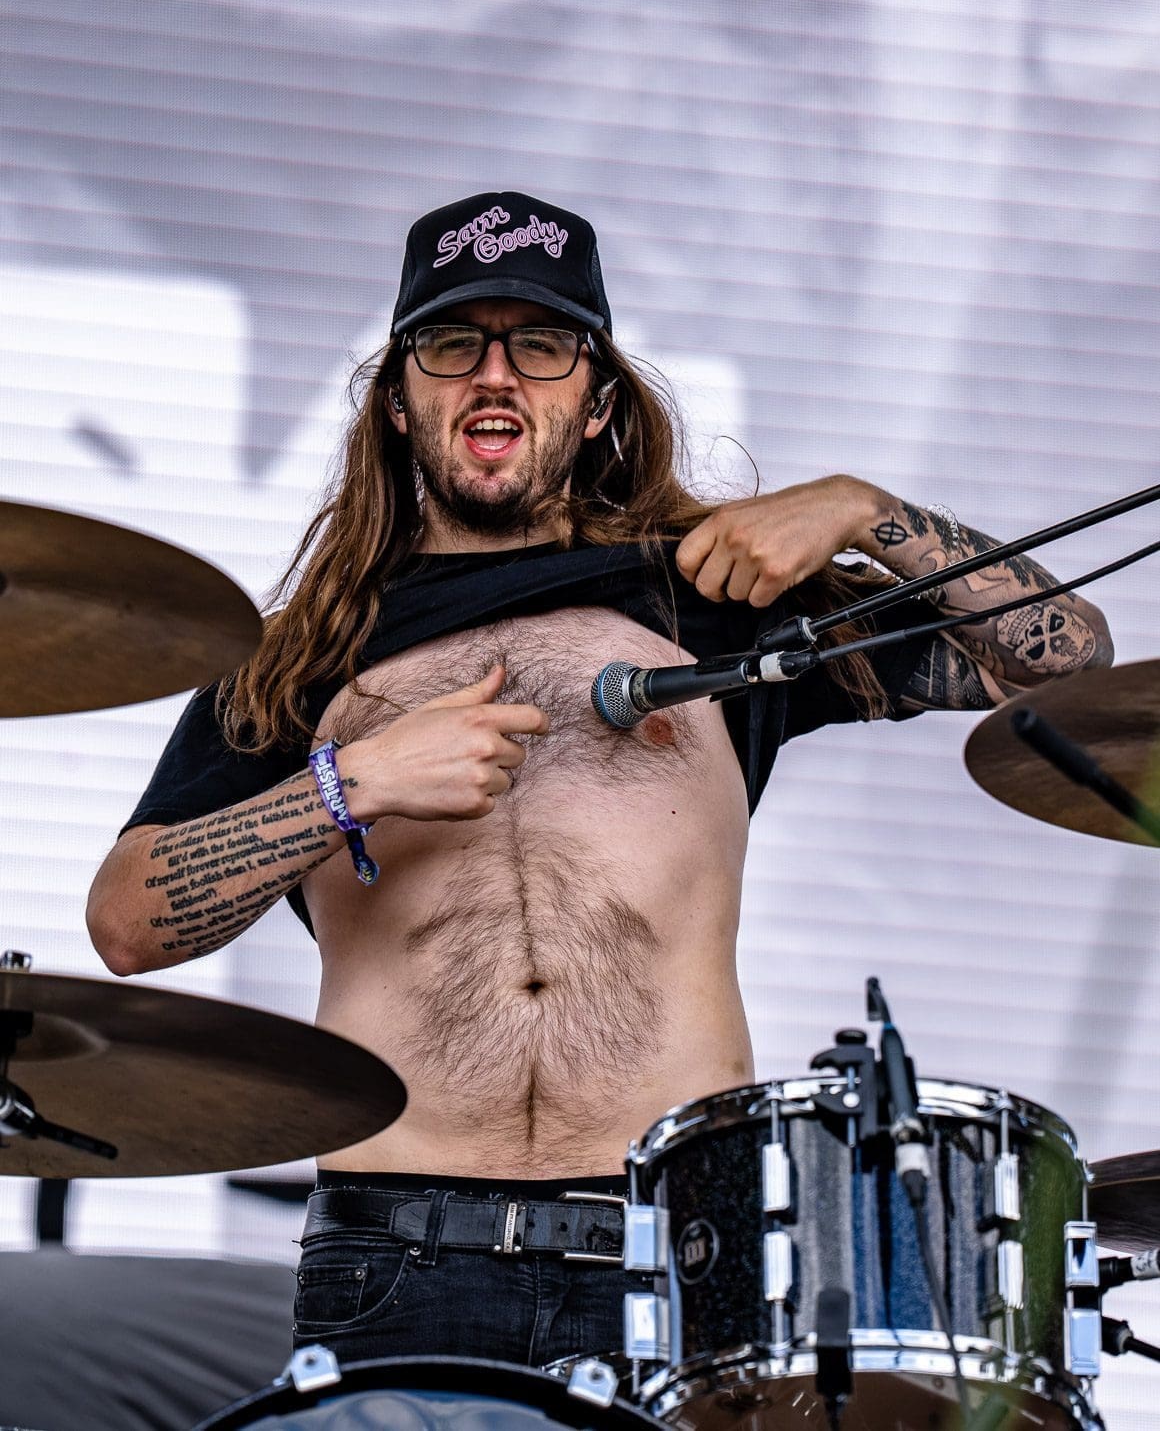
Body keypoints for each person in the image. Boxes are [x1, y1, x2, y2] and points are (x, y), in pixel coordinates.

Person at [87, 191, 1112, 1369]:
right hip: (396, 1257)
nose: (494, 376)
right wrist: (346, 783)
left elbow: (1062, 657)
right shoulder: (301, 653)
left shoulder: (713, 606)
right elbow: (126, 922)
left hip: (674, 1253)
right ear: (398, 398)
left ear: (596, 399)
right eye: (451, 343)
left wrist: (868, 514)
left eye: (541, 345)